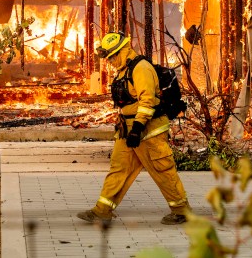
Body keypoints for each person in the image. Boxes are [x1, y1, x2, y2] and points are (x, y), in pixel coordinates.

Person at [76, 32, 192, 225]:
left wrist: (137, 128)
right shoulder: (124, 70)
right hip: (128, 129)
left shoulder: (141, 68)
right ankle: (102, 210)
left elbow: (147, 100)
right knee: (119, 167)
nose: (111, 61)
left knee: (162, 169)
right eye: (109, 57)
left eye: (113, 56)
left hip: (149, 130)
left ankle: (181, 211)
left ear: (123, 50)